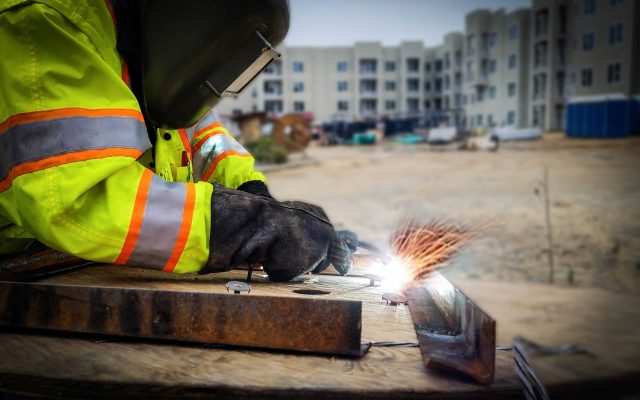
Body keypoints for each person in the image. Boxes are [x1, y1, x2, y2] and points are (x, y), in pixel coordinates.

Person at [0, 0, 352, 281]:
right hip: (19, 265)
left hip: (85, 260)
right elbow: (74, 200)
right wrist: (248, 228)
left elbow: (204, 140)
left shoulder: (155, 57)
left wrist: (261, 200)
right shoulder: (43, 18)